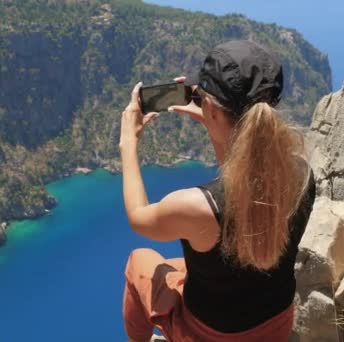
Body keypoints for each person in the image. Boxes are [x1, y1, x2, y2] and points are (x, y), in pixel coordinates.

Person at [118, 40, 316, 342]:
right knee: (180, 267)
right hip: (276, 326)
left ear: (210, 109)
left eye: (200, 97)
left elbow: (138, 217)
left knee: (139, 262)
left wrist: (128, 144)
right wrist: (215, 123)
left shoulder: (196, 207)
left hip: (208, 335)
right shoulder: (301, 175)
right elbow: (244, 178)